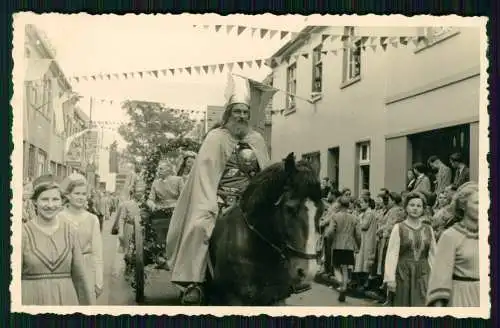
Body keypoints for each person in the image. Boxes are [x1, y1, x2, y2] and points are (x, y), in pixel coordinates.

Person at [165, 74, 271, 305]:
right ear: (228, 114)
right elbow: (204, 177)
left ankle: (283, 278)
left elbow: (264, 175)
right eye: (237, 112)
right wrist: (210, 202)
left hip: (250, 200)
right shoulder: (215, 138)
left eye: (245, 112)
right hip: (219, 198)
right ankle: (195, 282)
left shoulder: (257, 140)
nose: (241, 116)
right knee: (200, 227)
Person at [22, 174, 93, 305]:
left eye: (55, 199)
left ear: (62, 202)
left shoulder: (70, 231)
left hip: (66, 300)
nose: (50, 205)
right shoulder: (22, 233)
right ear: (35, 202)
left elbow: (80, 277)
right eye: (44, 199)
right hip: (31, 300)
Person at [426, 182, 480, 307]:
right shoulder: (450, 236)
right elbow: (439, 278)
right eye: (477, 203)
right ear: (463, 205)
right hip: (461, 298)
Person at [384, 192, 436, 306]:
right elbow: (392, 254)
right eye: (412, 205)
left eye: (419, 206)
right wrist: (390, 278)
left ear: (423, 209)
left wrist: (435, 278)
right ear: (406, 207)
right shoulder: (399, 228)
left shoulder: (428, 229)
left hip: (423, 273)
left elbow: (433, 255)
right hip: (403, 273)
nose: (415, 209)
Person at [57, 175, 104, 303]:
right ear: (68, 195)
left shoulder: (92, 219)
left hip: (86, 269)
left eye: (83, 194)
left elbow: (97, 253)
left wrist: (98, 281)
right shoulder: (59, 217)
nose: (80, 197)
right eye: (76, 193)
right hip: (64, 270)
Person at [323, 196, 360, 302]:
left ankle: (340, 284)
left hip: (337, 244)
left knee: (336, 267)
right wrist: (358, 245)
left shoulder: (335, 216)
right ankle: (344, 287)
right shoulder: (354, 217)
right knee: (345, 267)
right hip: (349, 245)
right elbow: (358, 234)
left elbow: (330, 232)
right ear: (348, 205)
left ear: (339, 205)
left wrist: (328, 240)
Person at [147, 159, 185, 245]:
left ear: (168, 170)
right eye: (158, 169)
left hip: (177, 210)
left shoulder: (178, 180)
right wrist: (152, 205)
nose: (158, 171)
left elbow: (184, 196)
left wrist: (179, 206)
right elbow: (150, 199)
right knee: (157, 224)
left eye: (161, 169)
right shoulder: (155, 183)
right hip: (161, 210)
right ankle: (160, 244)